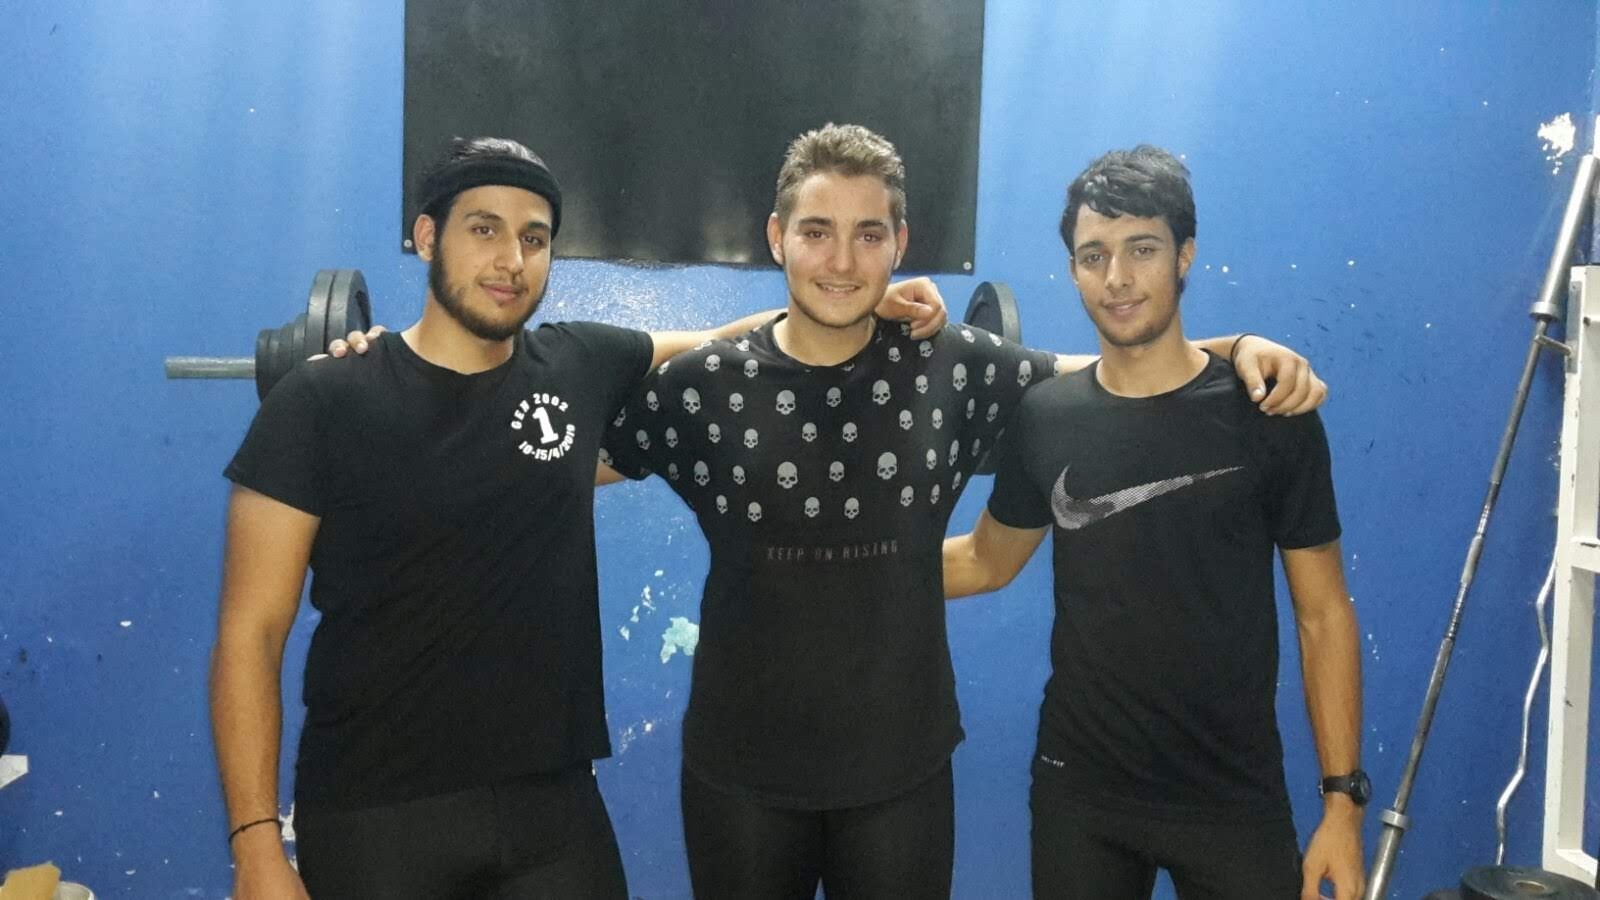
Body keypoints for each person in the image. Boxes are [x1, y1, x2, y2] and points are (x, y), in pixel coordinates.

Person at [599, 124, 1328, 899]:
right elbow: (559, 466)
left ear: (900, 243)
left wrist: (1238, 348)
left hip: (903, 777)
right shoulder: (704, 383)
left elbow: (1123, 371)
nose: (842, 261)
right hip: (739, 779)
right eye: (816, 232)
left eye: (867, 234)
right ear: (777, 238)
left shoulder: (950, 364)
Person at [207, 135, 946, 900]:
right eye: (483, 229)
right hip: (374, 815)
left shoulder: (576, 366)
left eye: (534, 239)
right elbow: (249, 634)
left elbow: (733, 347)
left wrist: (859, 302)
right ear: (428, 237)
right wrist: (256, 844)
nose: (510, 260)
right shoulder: (323, 402)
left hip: (552, 812)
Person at [943, 145, 1365, 900]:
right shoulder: (1044, 417)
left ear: (1184, 255)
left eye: (1141, 249)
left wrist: (1342, 805)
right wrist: (843, 568)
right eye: (1093, 255)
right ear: (1073, 269)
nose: (1117, 277)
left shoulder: (1269, 412)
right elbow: (985, 560)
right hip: (1081, 795)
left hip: (1233, 800)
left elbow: (1324, 613)